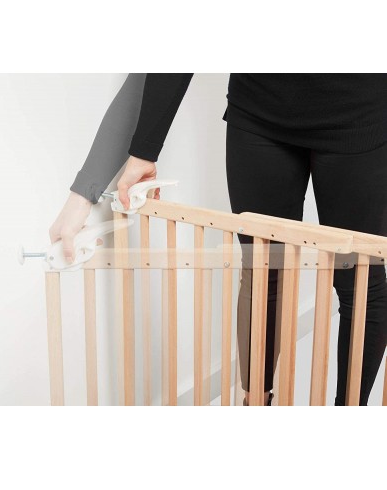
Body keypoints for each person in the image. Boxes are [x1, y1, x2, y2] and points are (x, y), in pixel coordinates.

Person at [50, 73, 387, 405]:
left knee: (360, 281)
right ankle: (255, 403)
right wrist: (98, 183)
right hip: (259, 112)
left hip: (361, 115)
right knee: (262, 272)